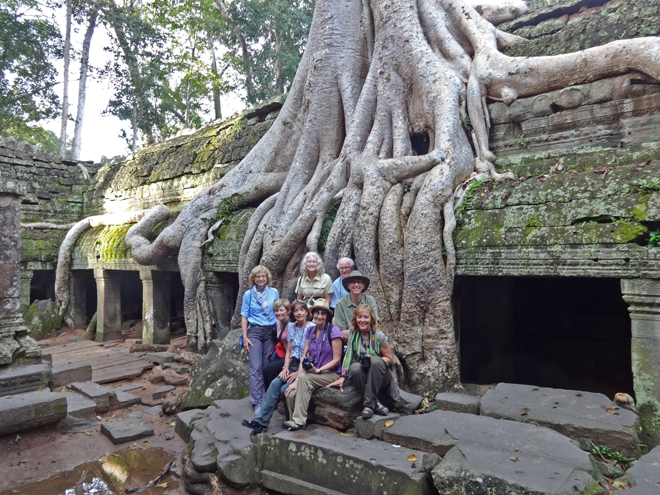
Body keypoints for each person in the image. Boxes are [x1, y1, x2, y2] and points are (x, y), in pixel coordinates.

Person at [242, 300, 312, 433]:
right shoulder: (292, 327)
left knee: (284, 389)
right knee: (275, 383)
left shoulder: (311, 328)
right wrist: (285, 367)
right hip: (292, 364)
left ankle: (293, 420)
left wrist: (298, 373)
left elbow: (306, 353)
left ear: (307, 312)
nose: (299, 313)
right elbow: (289, 351)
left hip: (305, 366)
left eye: (301, 310)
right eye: (296, 311)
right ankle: (260, 421)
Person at [282, 299, 343, 431]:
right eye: (317, 313)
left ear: (327, 316)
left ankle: (299, 421)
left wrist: (319, 370)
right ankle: (293, 421)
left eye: (323, 313)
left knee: (304, 378)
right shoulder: (310, 331)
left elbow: (337, 359)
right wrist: (297, 379)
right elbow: (306, 355)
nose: (319, 316)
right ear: (313, 314)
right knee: (290, 393)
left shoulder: (334, 330)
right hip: (312, 371)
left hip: (330, 372)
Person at [328, 303, 396, 419]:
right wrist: (342, 377)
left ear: (371, 319)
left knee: (375, 362)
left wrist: (374, 359)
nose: (362, 320)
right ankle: (376, 404)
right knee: (354, 368)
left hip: (380, 375)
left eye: (366, 317)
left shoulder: (379, 336)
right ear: (355, 319)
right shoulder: (352, 334)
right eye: (359, 317)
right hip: (364, 373)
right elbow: (348, 356)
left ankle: (369, 406)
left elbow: (389, 358)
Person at [241, 265, 279, 415]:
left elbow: (279, 312)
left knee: (267, 366)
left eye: (263, 276)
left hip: (270, 332)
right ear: (253, 279)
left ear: (267, 278)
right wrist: (245, 337)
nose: (261, 279)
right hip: (255, 332)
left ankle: (269, 399)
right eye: (258, 276)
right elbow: (244, 316)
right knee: (255, 367)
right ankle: (257, 402)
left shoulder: (274, 292)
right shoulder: (248, 295)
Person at [334, 270, 379, 340]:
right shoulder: (340, 304)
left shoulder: (370, 300)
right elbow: (341, 332)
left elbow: (374, 324)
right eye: (353, 282)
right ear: (348, 286)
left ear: (363, 286)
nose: (356, 285)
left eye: (359, 282)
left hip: (369, 338)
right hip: (348, 342)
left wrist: (350, 332)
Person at [262, 298, 291, 390]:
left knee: (271, 369)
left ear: (288, 311)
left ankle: (274, 397)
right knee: (265, 369)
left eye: (281, 310)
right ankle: (268, 395)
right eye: (276, 310)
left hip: (291, 355)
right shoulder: (278, 323)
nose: (279, 313)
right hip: (283, 353)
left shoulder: (291, 325)